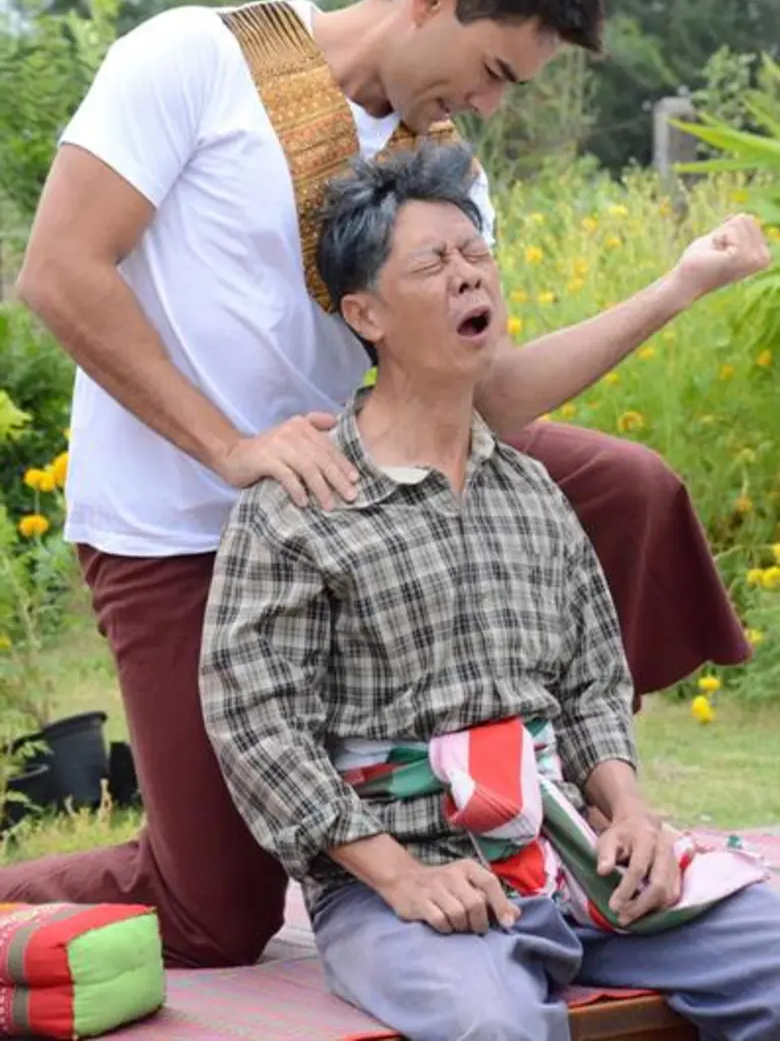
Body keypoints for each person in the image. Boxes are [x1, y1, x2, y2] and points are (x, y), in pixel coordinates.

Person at [4, 0, 769, 968]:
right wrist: (232, 447)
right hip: (181, 524)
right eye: (495, 70)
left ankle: (573, 793)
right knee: (214, 913)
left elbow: (495, 393)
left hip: (361, 511)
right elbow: (59, 272)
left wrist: (678, 286)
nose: (491, 102)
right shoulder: (193, 59)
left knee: (625, 487)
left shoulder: (441, 168)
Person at [200, 143, 780, 1041]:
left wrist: (628, 811)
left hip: (564, 853)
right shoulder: (300, 504)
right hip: (393, 885)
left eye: (477, 253)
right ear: (365, 312)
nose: (470, 275)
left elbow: (590, 684)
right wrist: (400, 875)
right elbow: (257, 727)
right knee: (494, 1026)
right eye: (433, 262)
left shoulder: (531, 491)